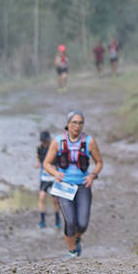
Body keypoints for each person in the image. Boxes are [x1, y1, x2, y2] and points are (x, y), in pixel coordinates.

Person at [42, 110, 103, 258]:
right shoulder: (58, 142)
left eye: (80, 123)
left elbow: (99, 162)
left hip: (83, 186)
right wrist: (56, 174)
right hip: (64, 187)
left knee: (82, 223)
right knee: (70, 221)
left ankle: (76, 238)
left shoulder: (89, 141)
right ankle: (72, 252)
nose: (77, 126)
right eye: (74, 122)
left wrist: (93, 175)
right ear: (68, 124)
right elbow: (47, 164)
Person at [36, 130, 61, 229]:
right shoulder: (39, 148)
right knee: (42, 197)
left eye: (45, 141)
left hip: (54, 177)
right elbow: (38, 157)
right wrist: (38, 163)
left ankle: (57, 220)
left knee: (54, 200)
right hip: (44, 177)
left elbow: (61, 161)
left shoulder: (55, 148)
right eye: (42, 141)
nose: (44, 143)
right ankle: (42, 221)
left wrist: (56, 168)